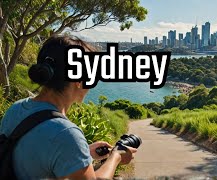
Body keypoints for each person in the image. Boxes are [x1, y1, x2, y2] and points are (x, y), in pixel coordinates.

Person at [0, 35, 137, 179]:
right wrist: (116, 157)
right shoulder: (66, 134)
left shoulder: (16, 109)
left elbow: (33, 157)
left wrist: (84, 153)